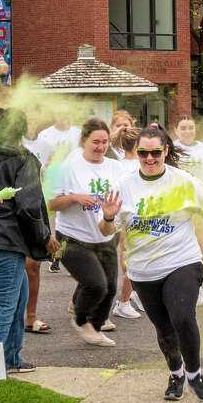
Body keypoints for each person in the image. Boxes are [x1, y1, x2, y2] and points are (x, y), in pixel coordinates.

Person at [99, 126, 203, 400]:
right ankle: (176, 373)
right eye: (143, 153)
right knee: (164, 328)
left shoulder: (183, 180)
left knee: (182, 316)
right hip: (144, 270)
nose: (149, 158)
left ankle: (195, 374)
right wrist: (108, 218)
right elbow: (105, 232)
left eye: (155, 152)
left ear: (165, 151)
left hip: (182, 261)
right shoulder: (124, 185)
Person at [0, 108, 59, 373]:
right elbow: (29, 205)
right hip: (4, 241)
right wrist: (45, 238)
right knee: (4, 305)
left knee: (17, 299)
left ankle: (11, 360)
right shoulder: (23, 159)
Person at [47, 118, 123, 346]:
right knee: (95, 284)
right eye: (95, 142)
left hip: (105, 235)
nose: (100, 147)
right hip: (72, 237)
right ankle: (81, 321)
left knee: (110, 289)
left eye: (105, 142)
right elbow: (51, 204)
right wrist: (73, 198)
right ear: (83, 141)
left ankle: (95, 327)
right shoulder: (68, 167)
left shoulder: (115, 167)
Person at [174, 115, 203, 306]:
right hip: (176, 207)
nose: (187, 131)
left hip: (201, 205)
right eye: (183, 128)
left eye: (190, 127)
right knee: (176, 249)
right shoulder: (170, 149)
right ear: (176, 130)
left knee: (201, 248)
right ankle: (176, 288)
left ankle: (198, 289)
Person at [110, 126, 145, 319]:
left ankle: (133, 295)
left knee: (128, 260)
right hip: (133, 218)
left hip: (124, 218)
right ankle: (123, 302)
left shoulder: (118, 164)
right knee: (132, 261)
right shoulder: (136, 167)